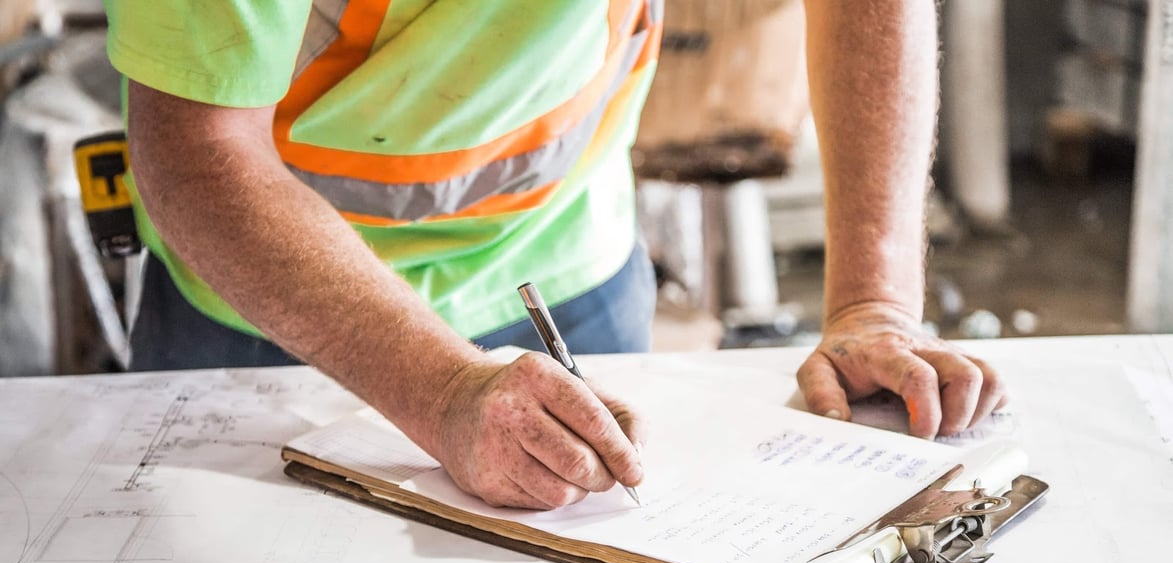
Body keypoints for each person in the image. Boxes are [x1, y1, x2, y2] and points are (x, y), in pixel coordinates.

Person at [102, 0, 1006, 510]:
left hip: (571, 270)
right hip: (278, 314)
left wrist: (872, 303)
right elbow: (195, 149)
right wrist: (443, 389)